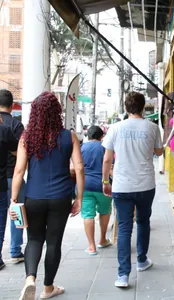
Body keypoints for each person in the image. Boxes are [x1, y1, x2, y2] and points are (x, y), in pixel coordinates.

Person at [9, 92, 84, 300]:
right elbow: (79, 167)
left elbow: (18, 170)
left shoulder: (27, 137)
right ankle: (48, 288)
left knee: (33, 239)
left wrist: (14, 199)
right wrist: (79, 197)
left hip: (34, 197)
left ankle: (30, 279)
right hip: (61, 198)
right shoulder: (69, 136)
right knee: (53, 242)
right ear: (57, 112)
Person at [102, 92, 163, 288]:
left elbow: (107, 159)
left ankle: (123, 275)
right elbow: (159, 152)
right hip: (146, 184)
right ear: (143, 107)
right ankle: (142, 260)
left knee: (124, 227)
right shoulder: (152, 127)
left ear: (126, 108)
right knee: (144, 221)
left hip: (122, 185)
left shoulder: (116, 128)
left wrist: (105, 181)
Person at [74, 125, 112, 255]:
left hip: (84, 186)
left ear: (88, 136)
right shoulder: (104, 148)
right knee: (105, 212)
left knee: (87, 215)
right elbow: (110, 165)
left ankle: (91, 246)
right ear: (101, 136)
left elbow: (74, 167)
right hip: (103, 185)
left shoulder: (81, 148)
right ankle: (102, 239)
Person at [0, 89, 25, 264]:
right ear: (11, 105)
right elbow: (22, 152)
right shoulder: (17, 125)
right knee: (16, 212)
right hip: (14, 175)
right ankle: (15, 250)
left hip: (2, 178)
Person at [0, 114, 18, 270]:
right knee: (1, 222)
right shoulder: (4, 129)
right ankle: (11, 253)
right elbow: (17, 151)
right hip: (3, 181)